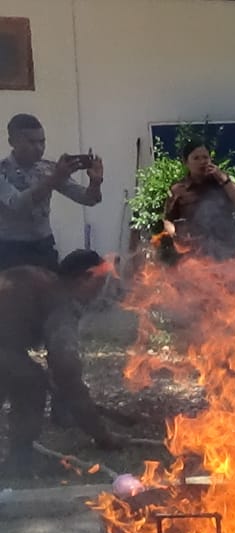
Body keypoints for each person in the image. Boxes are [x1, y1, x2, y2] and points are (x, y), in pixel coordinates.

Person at [0, 249, 121, 475]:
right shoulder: (60, 302)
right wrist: (103, 436)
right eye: (100, 281)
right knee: (31, 382)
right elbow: (67, 373)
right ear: (84, 278)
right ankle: (19, 461)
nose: (100, 291)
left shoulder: (40, 281)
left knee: (21, 372)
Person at [0, 114, 103, 271]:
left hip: (43, 246)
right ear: (13, 142)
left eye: (42, 142)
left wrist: (95, 182)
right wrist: (55, 178)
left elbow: (88, 199)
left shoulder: (48, 168)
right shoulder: (3, 171)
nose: (39, 148)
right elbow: (18, 204)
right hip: (12, 249)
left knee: (53, 293)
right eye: (31, 142)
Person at [163, 141, 235, 259]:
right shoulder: (178, 189)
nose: (202, 162)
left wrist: (223, 179)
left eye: (205, 157)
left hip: (227, 252)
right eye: (196, 158)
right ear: (186, 162)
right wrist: (175, 235)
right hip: (196, 255)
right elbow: (168, 220)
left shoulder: (223, 181)